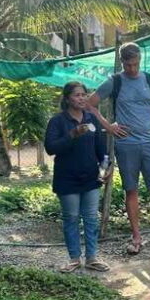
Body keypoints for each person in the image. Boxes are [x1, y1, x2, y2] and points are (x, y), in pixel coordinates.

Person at [87, 42, 150, 255]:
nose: (132, 69)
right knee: (131, 190)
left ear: (140, 60)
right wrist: (109, 126)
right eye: (128, 65)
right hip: (126, 145)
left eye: (135, 64)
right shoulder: (114, 82)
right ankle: (136, 237)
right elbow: (90, 104)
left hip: (149, 143)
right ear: (122, 62)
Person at [44, 81, 110, 273]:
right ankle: (74, 258)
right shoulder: (58, 121)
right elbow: (51, 148)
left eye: (84, 94)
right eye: (77, 95)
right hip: (67, 178)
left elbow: (102, 150)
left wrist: (105, 169)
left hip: (91, 178)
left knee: (90, 218)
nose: (81, 98)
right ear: (67, 99)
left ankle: (92, 258)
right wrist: (72, 134)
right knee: (71, 218)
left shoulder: (92, 119)